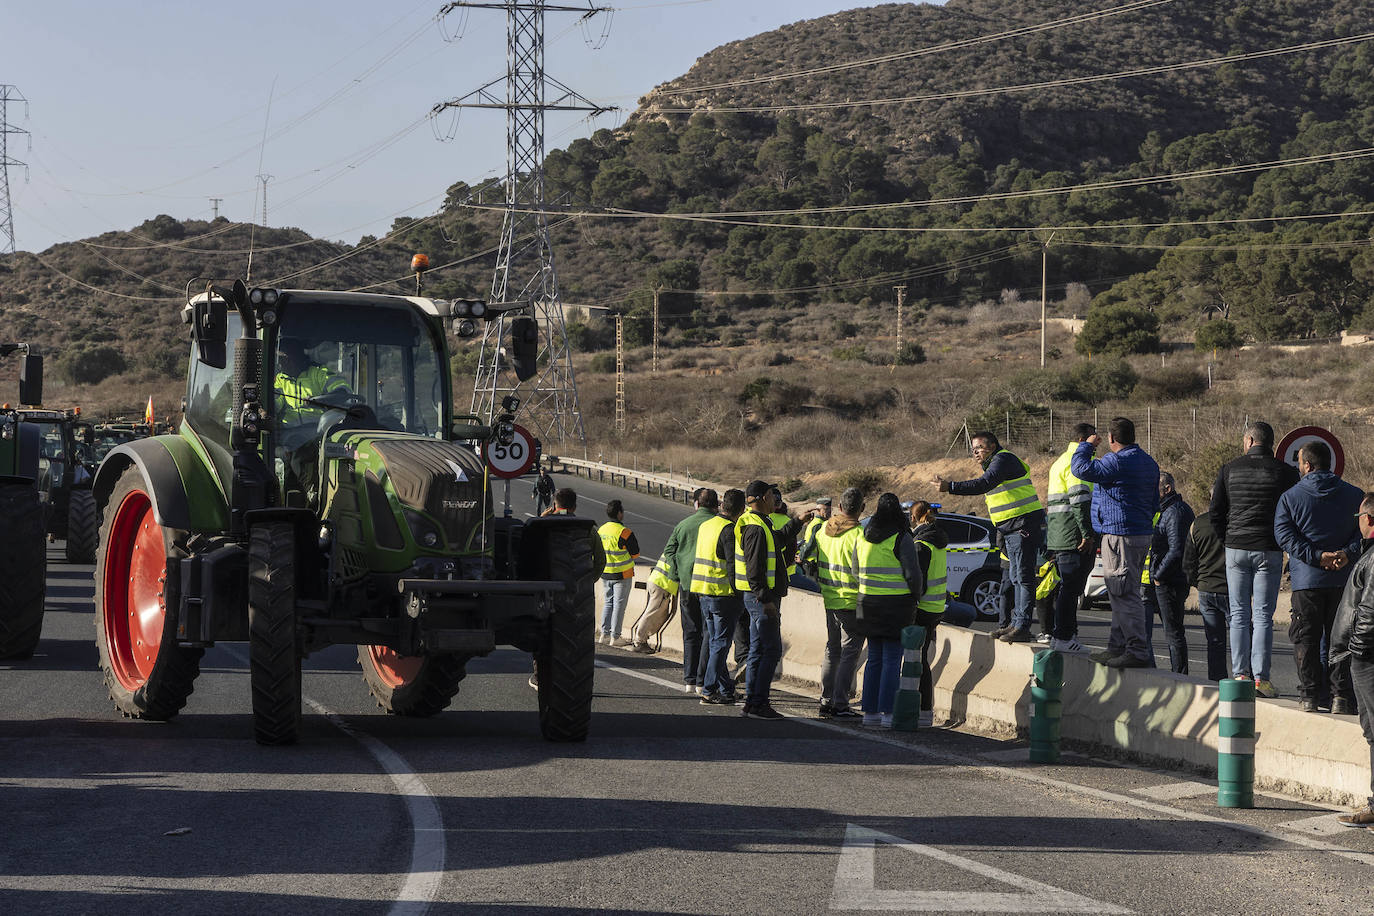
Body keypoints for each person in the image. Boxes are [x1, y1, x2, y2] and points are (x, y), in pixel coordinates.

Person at [1210, 421, 1299, 698]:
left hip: (1236, 547)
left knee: (1238, 614)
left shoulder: (1228, 469)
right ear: (1270, 443)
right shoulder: (1286, 473)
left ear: (1249, 441)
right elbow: (1293, 513)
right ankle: (1261, 679)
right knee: (1262, 616)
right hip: (1269, 549)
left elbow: (1216, 511)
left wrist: (1228, 539)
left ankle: (1240, 674)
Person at [1275, 441, 1364, 713]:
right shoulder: (1354, 494)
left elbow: (1284, 535)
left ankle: (1309, 695)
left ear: (1307, 465)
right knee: (1341, 639)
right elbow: (1363, 531)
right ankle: (1341, 697)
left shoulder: (1290, 497)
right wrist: (1346, 554)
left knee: (1306, 639)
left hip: (1307, 581)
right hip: (1343, 580)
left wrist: (1315, 556)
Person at [932, 432, 1045, 644]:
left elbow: (984, 484)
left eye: (979, 448)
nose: (975, 453)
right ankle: (1015, 624)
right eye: (973, 449)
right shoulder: (996, 462)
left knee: (1023, 578)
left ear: (992, 446)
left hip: (1023, 525)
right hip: (1012, 528)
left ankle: (1022, 626)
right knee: (1015, 578)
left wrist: (951, 487)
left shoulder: (1003, 460)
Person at [1071, 417, 1160, 668]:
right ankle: (1116, 646)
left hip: (1120, 535)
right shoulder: (1148, 462)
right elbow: (1155, 502)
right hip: (1140, 533)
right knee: (1121, 592)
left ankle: (1136, 650)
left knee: (1124, 593)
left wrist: (1087, 445)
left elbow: (1080, 469)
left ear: (1111, 438)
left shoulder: (1117, 460)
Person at [852, 493, 925, 728]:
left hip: (867, 603)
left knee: (874, 658)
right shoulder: (901, 537)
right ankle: (888, 713)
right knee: (893, 659)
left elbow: (855, 569)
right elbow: (912, 573)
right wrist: (917, 595)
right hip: (896, 606)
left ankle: (870, 713)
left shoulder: (863, 535)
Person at [735, 480, 804, 719]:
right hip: (761, 599)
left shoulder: (761, 523)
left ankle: (751, 702)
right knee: (771, 650)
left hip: (758, 597)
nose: (776, 498)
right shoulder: (755, 528)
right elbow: (754, 569)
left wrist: (799, 522)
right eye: (772, 494)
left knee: (758, 649)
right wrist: (766, 600)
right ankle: (758, 703)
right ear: (764, 497)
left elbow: (779, 541)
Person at [800, 487, 865, 719]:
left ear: (839, 507)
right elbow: (861, 572)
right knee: (850, 652)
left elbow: (807, 558)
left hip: (829, 597)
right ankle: (840, 703)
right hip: (850, 601)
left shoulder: (822, 531)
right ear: (862, 509)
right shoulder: (859, 536)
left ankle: (826, 699)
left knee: (832, 649)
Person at [1330, 494, 1374, 827]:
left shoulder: (1372, 559)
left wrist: (1357, 649)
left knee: (1373, 730)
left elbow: (1369, 610)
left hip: (1368, 656)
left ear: (1369, 520)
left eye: (1359, 516)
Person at [656, 489, 720, 689]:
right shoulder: (720, 526)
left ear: (696, 505)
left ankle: (689, 679)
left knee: (691, 632)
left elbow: (669, 551)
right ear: (716, 505)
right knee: (710, 633)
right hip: (711, 587)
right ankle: (705, 680)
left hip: (687, 585)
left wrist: (677, 574)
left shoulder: (683, 525)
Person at [1045, 422, 1096, 653]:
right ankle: (1065, 636)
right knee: (1071, 588)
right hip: (1074, 536)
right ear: (1086, 439)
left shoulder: (1058, 462)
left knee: (1067, 588)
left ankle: (1064, 636)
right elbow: (1080, 501)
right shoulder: (1077, 462)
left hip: (1059, 534)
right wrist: (1087, 534)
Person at [696, 489, 746, 705]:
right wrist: (739, 592)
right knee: (721, 644)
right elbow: (732, 565)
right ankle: (708, 689)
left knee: (717, 643)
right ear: (741, 510)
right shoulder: (729, 530)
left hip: (703, 591)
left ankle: (726, 690)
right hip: (723, 595)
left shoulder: (706, 525)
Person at [1149, 472, 1195, 674]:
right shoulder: (1167, 510)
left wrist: (1158, 575)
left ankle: (1179, 676)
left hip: (1170, 580)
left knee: (1173, 632)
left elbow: (1176, 550)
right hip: (1169, 578)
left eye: (1155, 488)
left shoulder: (1175, 512)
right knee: (1171, 631)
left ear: (1167, 489)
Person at [1184, 488, 1231, 681]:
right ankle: (1245, 679)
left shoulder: (1198, 524)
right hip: (1231, 590)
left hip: (1206, 589)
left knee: (1214, 641)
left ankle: (1216, 680)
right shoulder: (1235, 524)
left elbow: (1188, 562)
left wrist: (1197, 583)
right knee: (1243, 638)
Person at [909, 500, 947, 728]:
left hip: (922, 608)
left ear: (914, 518)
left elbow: (919, 582)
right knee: (922, 660)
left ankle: (921, 711)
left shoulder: (921, 543)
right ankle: (925, 712)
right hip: (936, 608)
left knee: (916, 661)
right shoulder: (938, 539)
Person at [598, 499, 640, 647]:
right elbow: (635, 554)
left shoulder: (601, 530)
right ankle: (615, 637)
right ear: (620, 514)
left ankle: (604, 634)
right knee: (618, 606)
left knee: (608, 603)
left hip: (605, 573)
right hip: (622, 574)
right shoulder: (625, 532)